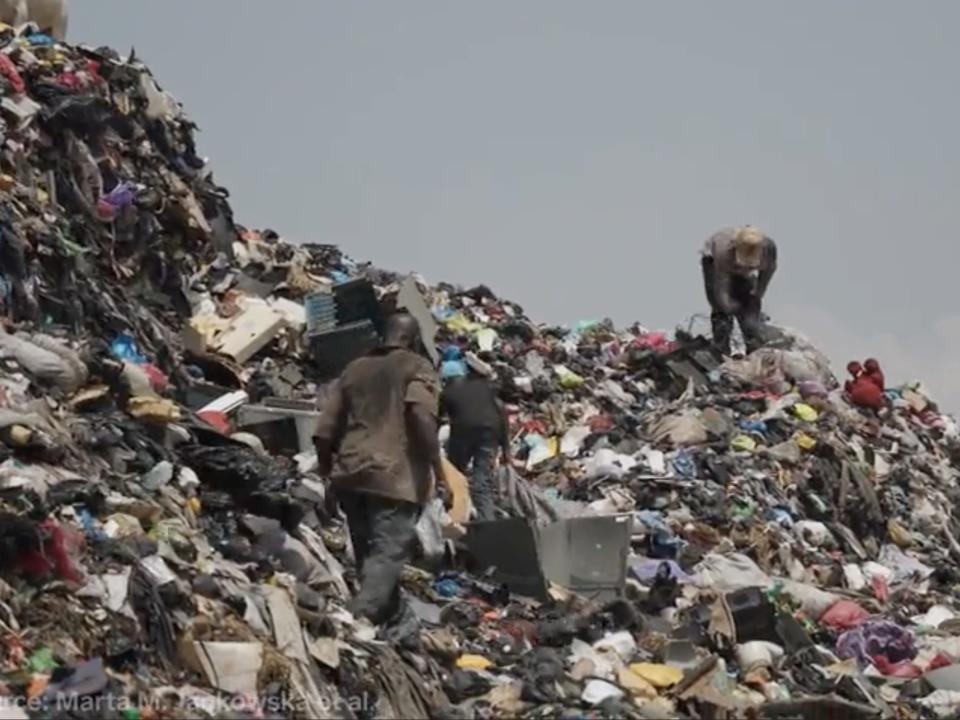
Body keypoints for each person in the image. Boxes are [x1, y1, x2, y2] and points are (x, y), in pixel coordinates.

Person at [313, 312, 447, 634]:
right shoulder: (416, 366)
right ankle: (357, 619)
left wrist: (327, 472)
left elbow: (324, 431)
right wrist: (438, 470)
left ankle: (386, 621)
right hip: (393, 474)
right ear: (413, 341)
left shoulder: (354, 369)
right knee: (387, 552)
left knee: (367, 554)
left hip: (351, 470)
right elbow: (421, 417)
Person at [441, 355, 510, 521]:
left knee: (454, 476)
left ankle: (454, 518)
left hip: (463, 435)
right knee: (481, 484)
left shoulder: (446, 392)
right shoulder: (485, 386)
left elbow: (439, 419)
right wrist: (506, 447)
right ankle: (488, 524)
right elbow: (501, 412)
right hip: (490, 433)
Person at [701, 226, 778, 355]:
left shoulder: (769, 251)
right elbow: (721, 287)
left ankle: (754, 348)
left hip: (739, 270)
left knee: (749, 306)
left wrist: (757, 294)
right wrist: (728, 306)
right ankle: (721, 349)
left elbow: (767, 273)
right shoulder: (723, 251)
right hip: (714, 264)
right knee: (720, 309)